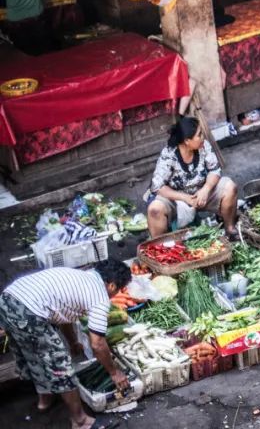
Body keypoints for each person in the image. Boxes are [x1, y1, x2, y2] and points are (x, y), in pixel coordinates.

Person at [0, 260, 133, 429]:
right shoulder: (99, 297)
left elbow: (63, 314)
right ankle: (80, 421)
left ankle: (45, 399)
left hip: (7, 300)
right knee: (60, 366)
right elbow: (97, 344)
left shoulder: (80, 276)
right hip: (30, 312)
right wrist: (114, 373)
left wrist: (73, 342)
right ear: (112, 286)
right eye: (119, 290)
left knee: (33, 353)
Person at [146, 117, 238, 238]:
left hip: (202, 194)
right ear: (187, 141)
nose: (202, 137)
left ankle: (229, 230)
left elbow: (214, 170)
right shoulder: (169, 154)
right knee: (155, 209)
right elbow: (157, 187)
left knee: (230, 186)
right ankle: (161, 249)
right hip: (176, 199)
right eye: (199, 135)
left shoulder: (203, 146)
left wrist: (205, 190)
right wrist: (185, 198)